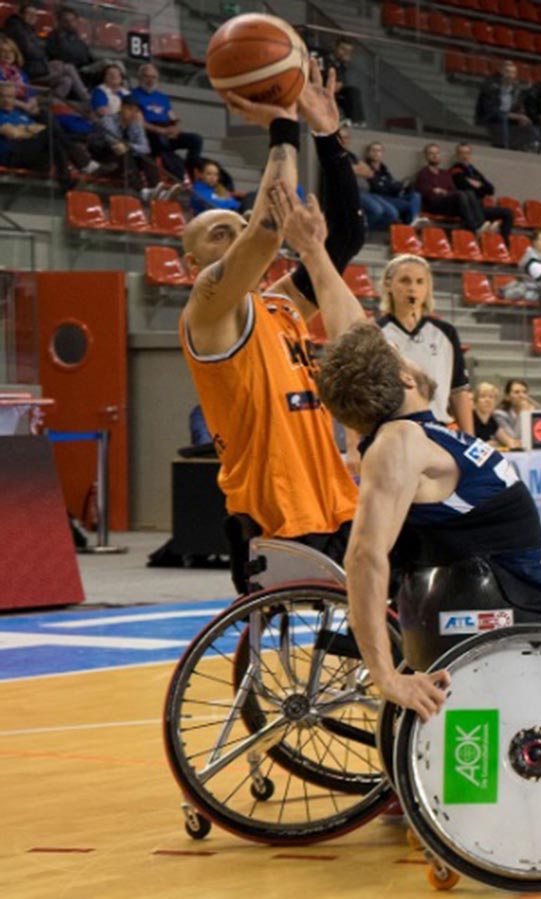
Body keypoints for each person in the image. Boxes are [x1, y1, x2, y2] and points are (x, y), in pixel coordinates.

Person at [315, 321, 541, 712]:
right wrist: (386, 678)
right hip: (503, 589)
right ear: (404, 378)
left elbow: (351, 329)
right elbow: (363, 558)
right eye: (403, 354)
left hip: (507, 578)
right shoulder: (399, 440)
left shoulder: (421, 432)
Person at [178, 64, 366, 587]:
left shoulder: (280, 305)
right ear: (192, 267)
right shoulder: (208, 311)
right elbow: (264, 232)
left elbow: (345, 239)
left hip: (334, 501)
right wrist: (283, 125)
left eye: (235, 226)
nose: (234, 237)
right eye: (220, 235)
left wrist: (328, 137)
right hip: (277, 516)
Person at [376, 253, 472, 433]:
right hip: (393, 431)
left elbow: (458, 390)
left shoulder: (446, 333)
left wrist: (470, 439)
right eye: (405, 280)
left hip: (438, 429)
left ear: (428, 288)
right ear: (388, 285)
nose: (412, 288)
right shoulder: (376, 334)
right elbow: (362, 393)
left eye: (420, 282)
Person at [0, 81, 94, 186]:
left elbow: (33, 130)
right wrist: (30, 130)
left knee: (52, 134)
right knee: (50, 132)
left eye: (10, 96)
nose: (6, 100)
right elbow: (13, 134)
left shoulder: (19, 114)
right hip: (11, 157)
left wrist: (25, 130)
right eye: (2, 96)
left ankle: (68, 175)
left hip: (35, 157)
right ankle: (82, 166)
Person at [414, 143, 511, 239]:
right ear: (426, 156)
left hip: (451, 203)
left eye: (437, 153)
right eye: (431, 153)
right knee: (461, 193)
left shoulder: (445, 173)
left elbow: (489, 189)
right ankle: (475, 227)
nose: (435, 156)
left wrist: (441, 191)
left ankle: (482, 227)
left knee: (469, 193)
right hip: (435, 204)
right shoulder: (424, 173)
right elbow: (424, 192)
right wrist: (435, 191)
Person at [88, 96, 174, 201]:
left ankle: (156, 189)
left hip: (123, 158)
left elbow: (146, 148)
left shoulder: (135, 123)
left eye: (135, 111)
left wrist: (130, 146)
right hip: (102, 157)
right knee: (123, 151)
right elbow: (114, 143)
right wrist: (131, 147)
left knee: (145, 156)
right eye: (129, 109)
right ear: (121, 108)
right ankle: (141, 190)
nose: (132, 113)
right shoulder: (108, 120)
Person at [131, 63, 204, 182]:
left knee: (196, 139)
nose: (150, 80)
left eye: (154, 77)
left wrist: (175, 128)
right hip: (149, 132)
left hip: (166, 131)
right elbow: (138, 122)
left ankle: (191, 170)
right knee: (160, 141)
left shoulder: (163, 98)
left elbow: (173, 117)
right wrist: (161, 131)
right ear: (140, 78)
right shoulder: (133, 95)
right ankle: (176, 175)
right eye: (147, 76)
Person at [3, 2, 88, 104]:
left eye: (35, 14)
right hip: (27, 71)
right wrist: (44, 56)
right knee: (68, 67)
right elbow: (30, 52)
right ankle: (87, 98)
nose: (32, 17)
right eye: (29, 14)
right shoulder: (16, 28)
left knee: (66, 80)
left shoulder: (28, 29)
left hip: (36, 67)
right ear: (21, 15)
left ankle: (46, 104)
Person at [447, 142, 513, 237]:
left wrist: (479, 186)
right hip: (468, 208)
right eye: (462, 153)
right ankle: (480, 228)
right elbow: (463, 186)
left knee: (508, 213)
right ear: (457, 155)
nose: (465, 156)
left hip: (480, 207)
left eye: (467, 153)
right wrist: (480, 187)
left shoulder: (474, 171)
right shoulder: (455, 171)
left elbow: (490, 189)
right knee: (470, 194)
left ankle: (504, 243)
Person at [359, 140, 424, 227]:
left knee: (415, 195)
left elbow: (393, 185)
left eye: (379, 151)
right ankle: (409, 225)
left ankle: (413, 222)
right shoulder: (365, 168)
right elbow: (376, 187)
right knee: (408, 206)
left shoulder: (384, 169)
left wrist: (401, 187)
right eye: (373, 150)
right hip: (378, 198)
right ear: (368, 153)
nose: (376, 153)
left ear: (382, 153)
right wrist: (389, 186)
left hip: (391, 196)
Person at [474, 60, 533, 151]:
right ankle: (504, 148)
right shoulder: (491, 85)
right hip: (489, 117)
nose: (510, 75)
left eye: (513, 73)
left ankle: (523, 149)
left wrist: (521, 114)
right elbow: (490, 109)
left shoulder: (516, 89)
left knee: (528, 124)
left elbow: (518, 107)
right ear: (502, 72)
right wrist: (513, 115)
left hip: (508, 117)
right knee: (502, 117)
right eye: (507, 72)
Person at [45, 6, 111, 81]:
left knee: (112, 65)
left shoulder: (75, 37)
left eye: (73, 20)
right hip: (74, 69)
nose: (70, 24)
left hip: (86, 67)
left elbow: (87, 54)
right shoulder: (55, 37)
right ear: (60, 22)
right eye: (66, 21)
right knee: (107, 64)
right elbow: (61, 56)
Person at [473, 381, 519, 448]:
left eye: (491, 397)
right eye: (483, 396)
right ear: (476, 400)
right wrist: (484, 445)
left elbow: (506, 439)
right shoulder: (469, 419)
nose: (487, 400)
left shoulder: (492, 421)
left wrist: (513, 443)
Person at [330, 38, 365, 126]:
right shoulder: (327, 59)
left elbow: (340, 83)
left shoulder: (342, 65)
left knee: (352, 92)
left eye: (349, 51)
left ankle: (356, 121)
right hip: (323, 89)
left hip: (335, 90)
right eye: (343, 49)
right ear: (335, 48)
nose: (346, 53)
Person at [0, 37, 38, 114]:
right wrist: (24, 106)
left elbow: (31, 94)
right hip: (6, 109)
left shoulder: (21, 73)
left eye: (11, 51)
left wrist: (33, 105)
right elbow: (3, 97)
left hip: (24, 108)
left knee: (46, 115)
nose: (8, 54)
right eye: (3, 51)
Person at [492, 377, 535, 444]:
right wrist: (522, 414)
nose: (522, 395)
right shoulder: (499, 415)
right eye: (516, 392)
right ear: (507, 397)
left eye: (524, 392)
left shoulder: (533, 412)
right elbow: (514, 439)